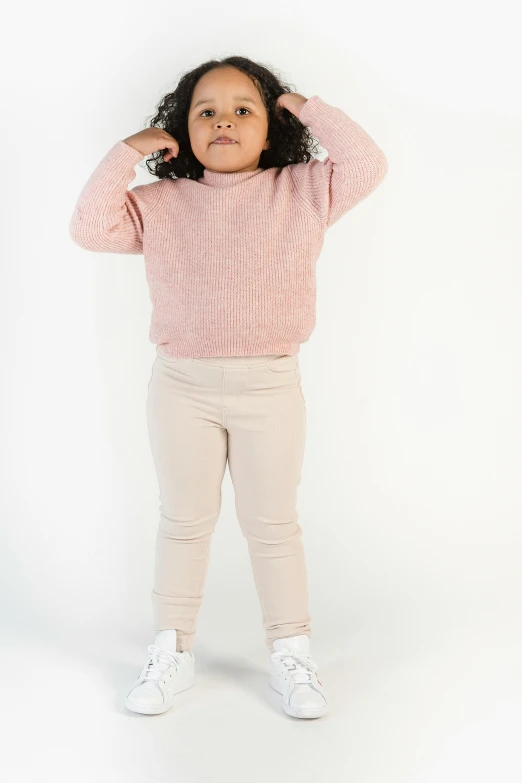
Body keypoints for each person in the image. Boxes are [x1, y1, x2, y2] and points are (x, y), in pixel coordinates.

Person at [69, 55, 388, 720]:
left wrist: (305, 104)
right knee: (184, 523)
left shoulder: (303, 190)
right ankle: (172, 647)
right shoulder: (158, 204)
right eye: (205, 110)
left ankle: (292, 650)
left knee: (272, 525)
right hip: (181, 386)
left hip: (270, 386)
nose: (223, 120)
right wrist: (123, 154)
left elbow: (367, 165)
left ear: (272, 127)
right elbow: (88, 227)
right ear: (180, 130)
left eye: (243, 108)